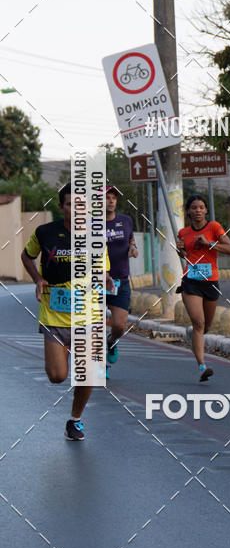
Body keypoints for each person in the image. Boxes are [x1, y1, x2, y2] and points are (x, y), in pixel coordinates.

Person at [20, 182, 114, 441]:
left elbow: (102, 267)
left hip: (89, 314)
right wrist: (38, 278)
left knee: (88, 374)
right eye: (71, 204)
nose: (76, 209)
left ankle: (75, 419)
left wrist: (105, 278)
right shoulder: (44, 233)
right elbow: (26, 256)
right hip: (54, 314)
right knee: (57, 376)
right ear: (62, 206)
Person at [176, 195, 230, 382]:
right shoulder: (183, 232)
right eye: (194, 207)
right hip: (191, 281)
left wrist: (209, 243)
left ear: (206, 210)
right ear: (189, 211)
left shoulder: (214, 227)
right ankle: (202, 365)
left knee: (205, 326)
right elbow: (184, 253)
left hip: (211, 281)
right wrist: (180, 250)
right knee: (199, 322)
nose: (198, 210)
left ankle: (193, 335)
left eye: (201, 207)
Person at [105, 185, 138, 375]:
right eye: (106, 197)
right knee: (94, 327)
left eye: (113, 198)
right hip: (96, 282)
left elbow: (130, 240)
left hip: (120, 281)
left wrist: (133, 248)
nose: (110, 201)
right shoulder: (90, 223)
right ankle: (103, 366)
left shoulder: (126, 221)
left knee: (119, 326)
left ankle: (111, 342)